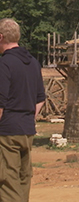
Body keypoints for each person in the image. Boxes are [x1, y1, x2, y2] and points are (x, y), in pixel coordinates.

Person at [0, 18, 46, 201]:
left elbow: (1, 102)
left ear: (0, 37)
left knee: (7, 182)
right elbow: (40, 98)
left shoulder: (5, 64)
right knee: (23, 179)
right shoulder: (33, 62)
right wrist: (28, 118)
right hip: (27, 131)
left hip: (8, 131)